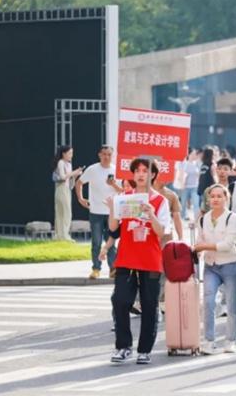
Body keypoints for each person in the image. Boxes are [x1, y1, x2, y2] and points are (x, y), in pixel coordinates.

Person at [107, 158, 171, 365]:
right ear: (133, 175)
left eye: (146, 170)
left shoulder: (161, 201)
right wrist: (112, 208)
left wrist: (151, 214)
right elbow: (113, 228)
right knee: (120, 300)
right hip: (126, 257)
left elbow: (162, 233)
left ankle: (144, 350)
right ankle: (124, 346)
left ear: (153, 175)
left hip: (150, 259)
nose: (141, 174)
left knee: (149, 304)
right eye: (137, 171)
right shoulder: (123, 197)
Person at [194, 184, 236, 353]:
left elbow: (228, 245)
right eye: (212, 196)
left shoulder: (232, 218)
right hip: (211, 265)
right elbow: (199, 240)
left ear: (226, 199)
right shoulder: (203, 219)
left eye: (219, 196)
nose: (215, 199)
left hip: (231, 264)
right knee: (208, 302)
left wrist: (204, 246)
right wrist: (198, 250)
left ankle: (230, 340)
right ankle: (209, 340)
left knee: (231, 304)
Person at [75, 145, 121, 279]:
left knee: (111, 241)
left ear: (112, 156)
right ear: (99, 155)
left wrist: (113, 184)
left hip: (112, 212)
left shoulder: (115, 170)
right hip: (95, 211)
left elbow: (122, 191)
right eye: (104, 154)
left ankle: (113, 269)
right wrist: (80, 198)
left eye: (109, 154)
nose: (106, 157)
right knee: (96, 241)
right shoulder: (93, 169)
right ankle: (96, 268)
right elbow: (79, 182)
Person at [53, 145, 83, 241]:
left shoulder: (69, 165)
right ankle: (61, 235)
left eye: (72, 153)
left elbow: (71, 184)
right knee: (63, 212)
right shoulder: (61, 162)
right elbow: (62, 177)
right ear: (64, 154)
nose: (71, 155)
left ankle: (62, 235)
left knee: (66, 212)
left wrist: (75, 176)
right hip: (60, 189)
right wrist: (74, 173)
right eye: (70, 153)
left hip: (67, 190)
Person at [181, 149, 201, 220]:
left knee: (196, 203)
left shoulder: (197, 163)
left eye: (195, 154)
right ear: (188, 154)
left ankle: (197, 218)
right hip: (185, 187)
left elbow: (199, 174)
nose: (194, 155)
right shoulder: (184, 163)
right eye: (192, 154)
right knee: (183, 203)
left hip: (195, 186)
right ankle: (183, 216)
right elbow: (181, 174)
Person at [197, 147, 217, 217]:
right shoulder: (212, 164)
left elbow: (199, 177)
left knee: (203, 207)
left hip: (202, 188)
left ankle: (202, 221)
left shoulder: (203, 165)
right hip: (209, 188)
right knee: (209, 207)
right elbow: (214, 176)